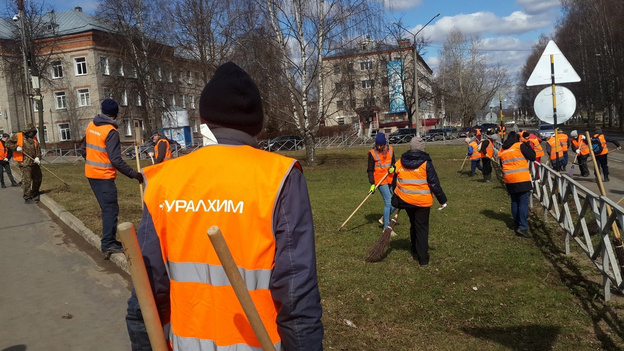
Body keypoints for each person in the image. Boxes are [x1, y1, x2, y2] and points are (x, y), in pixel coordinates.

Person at [125, 62, 324, 350]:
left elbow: (146, 294)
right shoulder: (278, 177)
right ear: (258, 124)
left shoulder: (164, 179)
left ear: (205, 118)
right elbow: (297, 290)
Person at [81, 99, 144, 253]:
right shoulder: (111, 132)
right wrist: (135, 175)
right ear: (115, 114)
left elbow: (83, 149)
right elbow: (116, 160)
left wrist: (93, 161)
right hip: (103, 176)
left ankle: (109, 239)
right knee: (110, 209)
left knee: (106, 208)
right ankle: (108, 243)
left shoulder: (91, 125)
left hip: (91, 174)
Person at [392, 136, 447, 266]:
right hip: (422, 202)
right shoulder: (426, 163)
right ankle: (423, 258)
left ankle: (414, 249)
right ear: (422, 148)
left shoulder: (400, 162)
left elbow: (395, 181)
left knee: (413, 224)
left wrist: (398, 194)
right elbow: (434, 183)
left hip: (406, 200)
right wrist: (442, 200)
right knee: (422, 228)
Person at [498, 131, 536, 238]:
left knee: (514, 201)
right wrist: (528, 147)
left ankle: (516, 223)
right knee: (523, 201)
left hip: (509, 179)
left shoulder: (502, 149)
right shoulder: (519, 146)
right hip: (521, 178)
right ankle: (523, 226)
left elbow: (502, 164)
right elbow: (532, 156)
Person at [367, 132, 396, 233]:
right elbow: (370, 170)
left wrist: (393, 168)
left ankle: (384, 217)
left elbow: (394, 163)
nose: (379, 147)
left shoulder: (391, 150)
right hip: (380, 181)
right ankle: (386, 228)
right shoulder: (372, 153)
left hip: (391, 179)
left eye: (381, 145)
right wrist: (372, 184)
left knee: (398, 200)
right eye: (377, 145)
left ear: (385, 144)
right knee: (388, 201)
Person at [7, 124, 42, 203]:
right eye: (29, 132)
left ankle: (35, 192)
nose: (31, 134)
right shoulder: (18, 136)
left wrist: (38, 157)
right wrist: (16, 147)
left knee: (38, 177)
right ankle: (27, 197)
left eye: (32, 132)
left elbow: (38, 150)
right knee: (27, 180)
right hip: (24, 162)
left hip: (34, 162)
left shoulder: (34, 139)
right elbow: (7, 143)